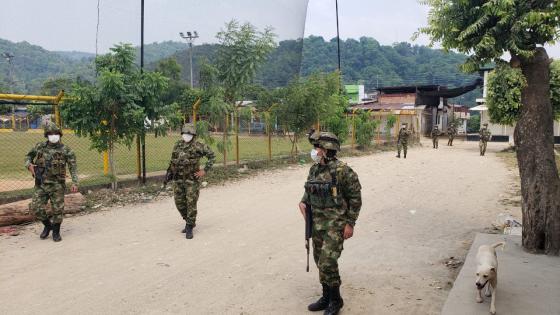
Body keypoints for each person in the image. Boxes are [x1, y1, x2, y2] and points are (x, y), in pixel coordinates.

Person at [299, 130, 362, 315]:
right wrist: (303, 202)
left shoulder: (343, 172)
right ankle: (326, 296)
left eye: (317, 147)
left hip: (336, 225)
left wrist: (350, 224)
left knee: (328, 261)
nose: (315, 151)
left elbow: (356, 199)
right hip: (317, 224)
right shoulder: (314, 169)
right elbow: (309, 192)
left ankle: (336, 300)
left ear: (327, 150)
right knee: (319, 260)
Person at [25, 122, 79, 242]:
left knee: (58, 210)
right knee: (35, 207)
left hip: (57, 185)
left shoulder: (66, 150)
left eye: (56, 133)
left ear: (60, 134)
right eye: (50, 133)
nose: (53, 135)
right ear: (46, 135)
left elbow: (73, 167)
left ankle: (56, 231)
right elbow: (28, 157)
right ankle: (47, 226)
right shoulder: (39, 147)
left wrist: (75, 182)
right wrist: (29, 165)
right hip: (41, 184)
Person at [167, 123, 215, 239]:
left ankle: (189, 226)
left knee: (191, 203)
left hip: (191, 180)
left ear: (193, 134)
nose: (186, 135)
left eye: (189, 133)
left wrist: (204, 170)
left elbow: (212, 156)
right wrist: (169, 173)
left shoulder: (198, 145)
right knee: (179, 203)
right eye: (184, 133)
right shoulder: (178, 144)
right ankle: (188, 220)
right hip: (178, 179)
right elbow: (173, 160)